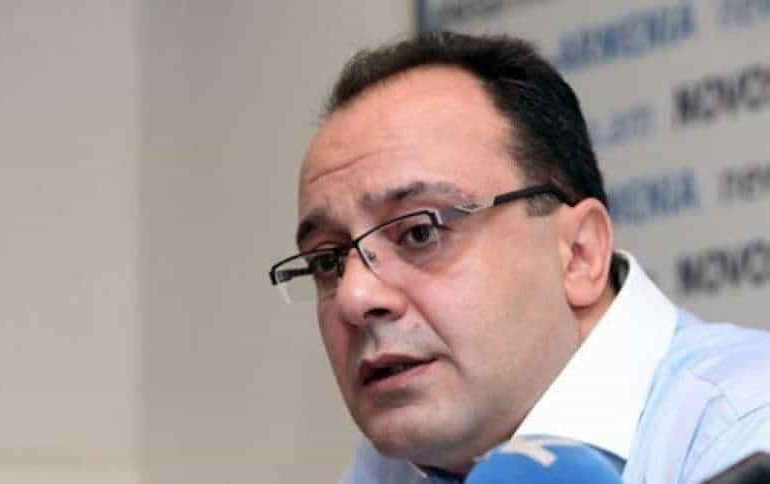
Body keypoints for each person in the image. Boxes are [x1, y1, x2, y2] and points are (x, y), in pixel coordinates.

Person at [268, 32, 770, 483]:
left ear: (580, 254)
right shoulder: (391, 471)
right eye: (328, 262)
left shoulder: (746, 435)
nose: (354, 297)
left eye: (420, 232)